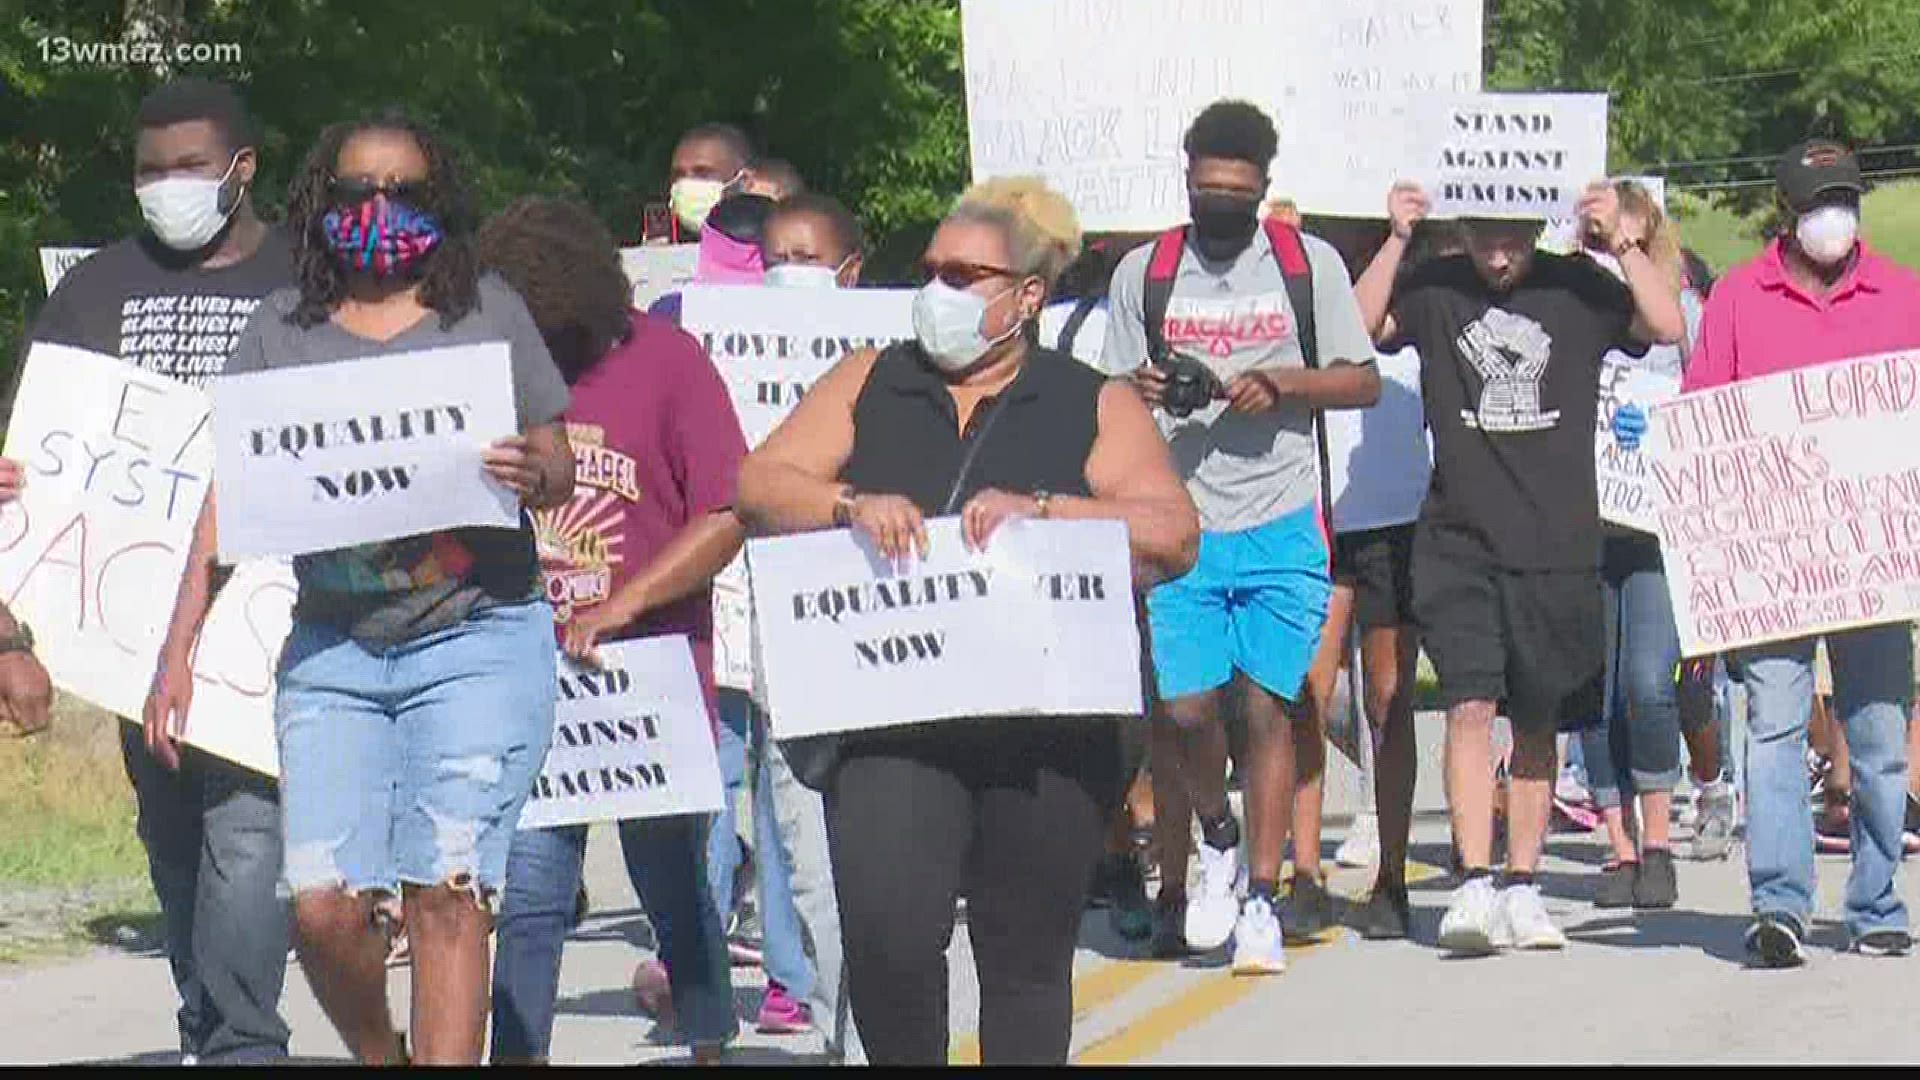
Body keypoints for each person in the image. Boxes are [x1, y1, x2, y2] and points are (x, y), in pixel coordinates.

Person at [734, 176, 1198, 1064]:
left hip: (1046, 730)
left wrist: (1051, 511)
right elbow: (759, 484)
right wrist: (847, 504)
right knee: (891, 937)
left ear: (1026, 297)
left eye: (965, 273)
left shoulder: (1090, 398)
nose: (938, 289)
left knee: (1023, 957)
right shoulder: (872, 376)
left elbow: (1173, 532)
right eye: (932, 269)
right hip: (891, 718)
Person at [164, 110, 576, 1064]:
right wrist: (175, 651)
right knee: (322, 909)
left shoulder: (487, 309)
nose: (380, 209)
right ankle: (381, 1055)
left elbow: (557, 458)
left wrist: (534, 473)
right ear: (322, 202)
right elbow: (229, 497)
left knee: (448, 889)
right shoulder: (281, 329)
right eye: (358, 191)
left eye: (405, 191)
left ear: (440, 203)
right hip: (335, 650)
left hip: (478, 637)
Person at [24, 77, 295, 1065]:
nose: (167, 187)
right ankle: (207, 1023)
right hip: (128, 625)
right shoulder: (93, 291)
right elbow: (40, 464)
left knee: (248, 832)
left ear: (242, 168)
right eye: (150, 171)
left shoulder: (308, 284)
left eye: (189, 167)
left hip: (272, 617)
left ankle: (245, 1045)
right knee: (175, 840)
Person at [1360, 176, 1685, 958]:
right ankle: (1474, 881)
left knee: (1538, 720)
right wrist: (1400, 235)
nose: (1498, 251)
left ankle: (1521, 884)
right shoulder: (1436, 287)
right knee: (1470, 706)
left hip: (1558, 543)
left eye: (1512, 235)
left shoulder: (1576, 285)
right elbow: (1363, 322)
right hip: (1458, 537)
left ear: (1536, 229)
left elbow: (1666, 324)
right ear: (1462, 229)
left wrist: (1624, 243)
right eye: (1482, 234)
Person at [1102, 100, 1381, 973]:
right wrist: (1141, 388)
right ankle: (1216, 836)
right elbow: (1103, 402)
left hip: (1281, 519)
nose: (1220, 202)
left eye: (1237, 190)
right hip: (1180, 524)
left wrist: (1283, 384)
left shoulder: (1308, 266)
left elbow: (1362, 382)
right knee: (1184, 710)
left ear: (1262, 186)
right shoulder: (1145, 273)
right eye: (1205, 188)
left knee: (1265, 706)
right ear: (1186, 180)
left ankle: (1260, 897)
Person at [476, 197, 740, 1065]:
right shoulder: (484, 369)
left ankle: (709, 1046)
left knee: (674, 890)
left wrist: (622, 607)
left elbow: (730, 513)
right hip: (525, 678)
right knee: (531, 897)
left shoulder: (669, 362)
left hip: (645, 684)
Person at [1679, 139, 1920, 965]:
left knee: (1882, 737)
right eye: (1821, 201)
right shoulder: (1742, 298)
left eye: (1846, 199)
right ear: (1786, 211)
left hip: (1877, 562)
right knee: (1773, 731)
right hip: (1771, 567)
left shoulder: (1904, 293)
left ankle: (1876, 901)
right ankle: (1779, 904)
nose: (1835, 217)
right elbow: (1704, 422)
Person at [1308, 218, 1466, 941]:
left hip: (1402, 525)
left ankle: (1393, 876)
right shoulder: (1319, 282)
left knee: (1388, 697)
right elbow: (1353, 326)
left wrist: (1410, 238)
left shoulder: (1433, 309)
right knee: (1302, 693)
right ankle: (1299, 873)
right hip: (1322, 519)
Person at [753, 189, 871, 1059]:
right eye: (775, 260)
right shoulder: (726, 358)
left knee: (888, 854)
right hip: (785, 640)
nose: (789, 274)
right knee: (809, 853)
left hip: (886, 630)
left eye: (808, 258)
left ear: (852, 272)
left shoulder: (898, 366)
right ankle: (845, 1029)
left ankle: (877, 1030)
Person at [1579, 180, 1697, 911]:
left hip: (1655, 529)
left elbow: (1718, 403)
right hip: (1583, 525)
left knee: (1647, 684)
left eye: (1623, 235)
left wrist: (1663, 429)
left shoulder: (1683, 313)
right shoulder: (1572, 310)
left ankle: (1659, 839)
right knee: (1590, 690)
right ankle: (1618, 844)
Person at [667, 122, 754, 240]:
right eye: (679, 175)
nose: (686, 183)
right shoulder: (660, 255)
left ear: (744, 181)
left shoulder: (777, 251)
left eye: (703, 174)